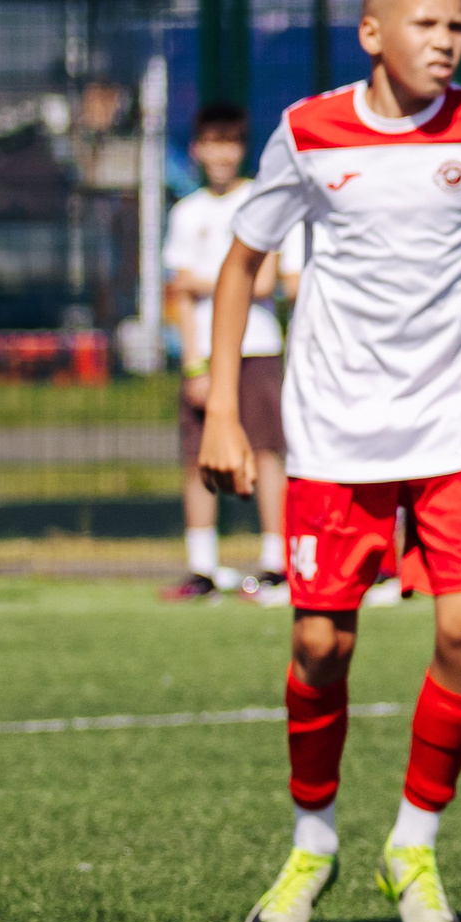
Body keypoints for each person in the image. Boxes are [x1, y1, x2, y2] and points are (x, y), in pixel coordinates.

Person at [201, 0, 461, 922]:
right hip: (333, 430)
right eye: (425, 25)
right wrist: (229, 410)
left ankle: (413, 841)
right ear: (374, 33)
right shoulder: (309, 132)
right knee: (321, 645)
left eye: (456, 25)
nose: (445, 42)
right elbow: (244, 261)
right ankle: (312, 840)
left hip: (457, 426)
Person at [160, 102, 301, 603]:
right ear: (197, 149)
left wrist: (210, 281)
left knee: (266, 451)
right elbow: (179, 290)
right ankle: (202, 566)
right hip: (205, 356)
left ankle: (275, 560)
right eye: (211, 142)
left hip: (258, 350)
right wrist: (195, 364)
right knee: (198, 455)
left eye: (230, 142)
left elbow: (263, 279)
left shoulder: (260, 201)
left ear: (242, 149)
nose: (220, 153)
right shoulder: (186, 212)